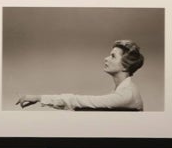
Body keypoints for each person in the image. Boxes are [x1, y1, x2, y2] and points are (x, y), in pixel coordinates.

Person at [15, 39, 145, 111]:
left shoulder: (126, 95)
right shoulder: (122, 91)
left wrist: (39, 98)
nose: (106, 58)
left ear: (125, 66)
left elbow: (80, 101)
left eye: (113, 56)